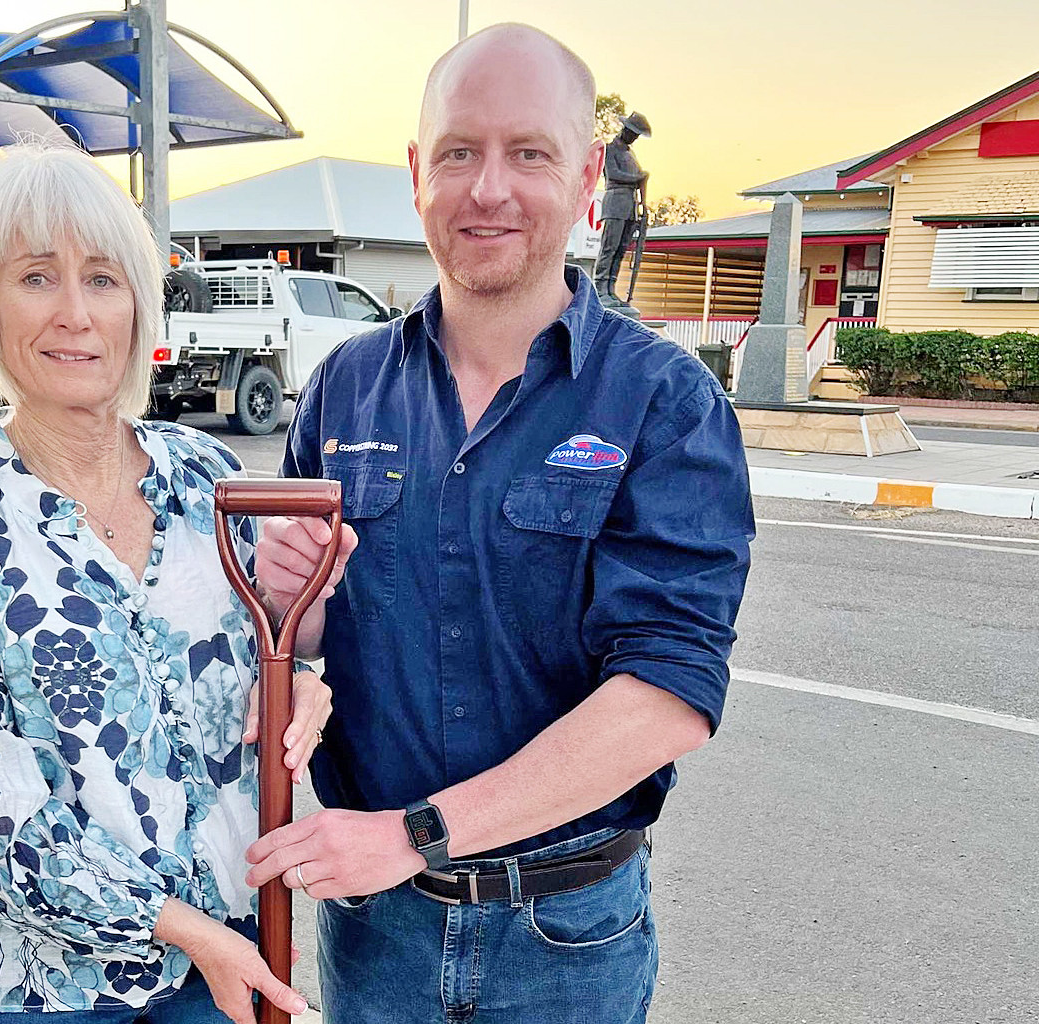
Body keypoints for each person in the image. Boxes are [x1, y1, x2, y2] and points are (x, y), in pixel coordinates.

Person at [248, 24, 753, 1024]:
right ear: (415, 172)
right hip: (374, 933)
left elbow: (667, 696)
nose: (488, 189)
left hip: (563, 942)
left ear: (584, 176)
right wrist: (286, 600)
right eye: (458, 152)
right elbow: (299, 653)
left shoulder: (661, 402)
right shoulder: (345, 390)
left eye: (529, 153)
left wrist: (415, 833)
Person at [0, 142, 330, 1024]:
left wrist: (309, 683)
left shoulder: (207, 477)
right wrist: (183, 930)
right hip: (34, 982)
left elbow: (270, 654)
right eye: (36, 277)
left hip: (216, 955)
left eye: (101, 278)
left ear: (137, 301)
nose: (74, 315)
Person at [594, 111, 652, 304]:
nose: (634, 138)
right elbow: (614, 174)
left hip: (629, 206)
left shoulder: (629, 153)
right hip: (615, 204)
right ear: (625, 130)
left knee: (620, 249)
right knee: (609, 247)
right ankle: (600, 289)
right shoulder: (611, 149)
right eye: (633, 134)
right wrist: (639, 178)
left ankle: (610, 288)